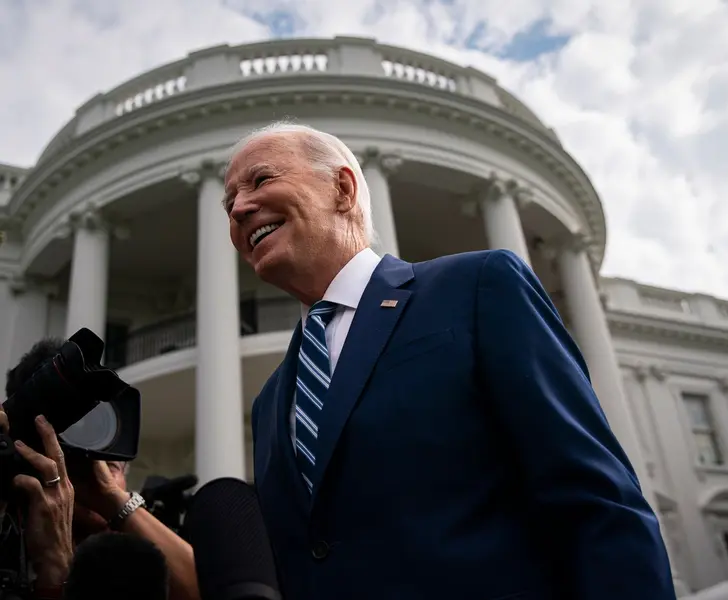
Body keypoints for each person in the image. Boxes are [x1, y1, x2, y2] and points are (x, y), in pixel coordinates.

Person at [226, 122, 677, 600]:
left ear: (342, 188)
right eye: (228, 201)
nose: (238, 208)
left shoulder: (477, 288)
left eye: (260, 180)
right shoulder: (271, 400)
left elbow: (595, 500)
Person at [0, 339, 199, 600]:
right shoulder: (10, 529)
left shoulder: (133, 560)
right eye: (73, 462)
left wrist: (112, 499)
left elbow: (212, 591)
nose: (96, 470)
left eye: (112, 466)